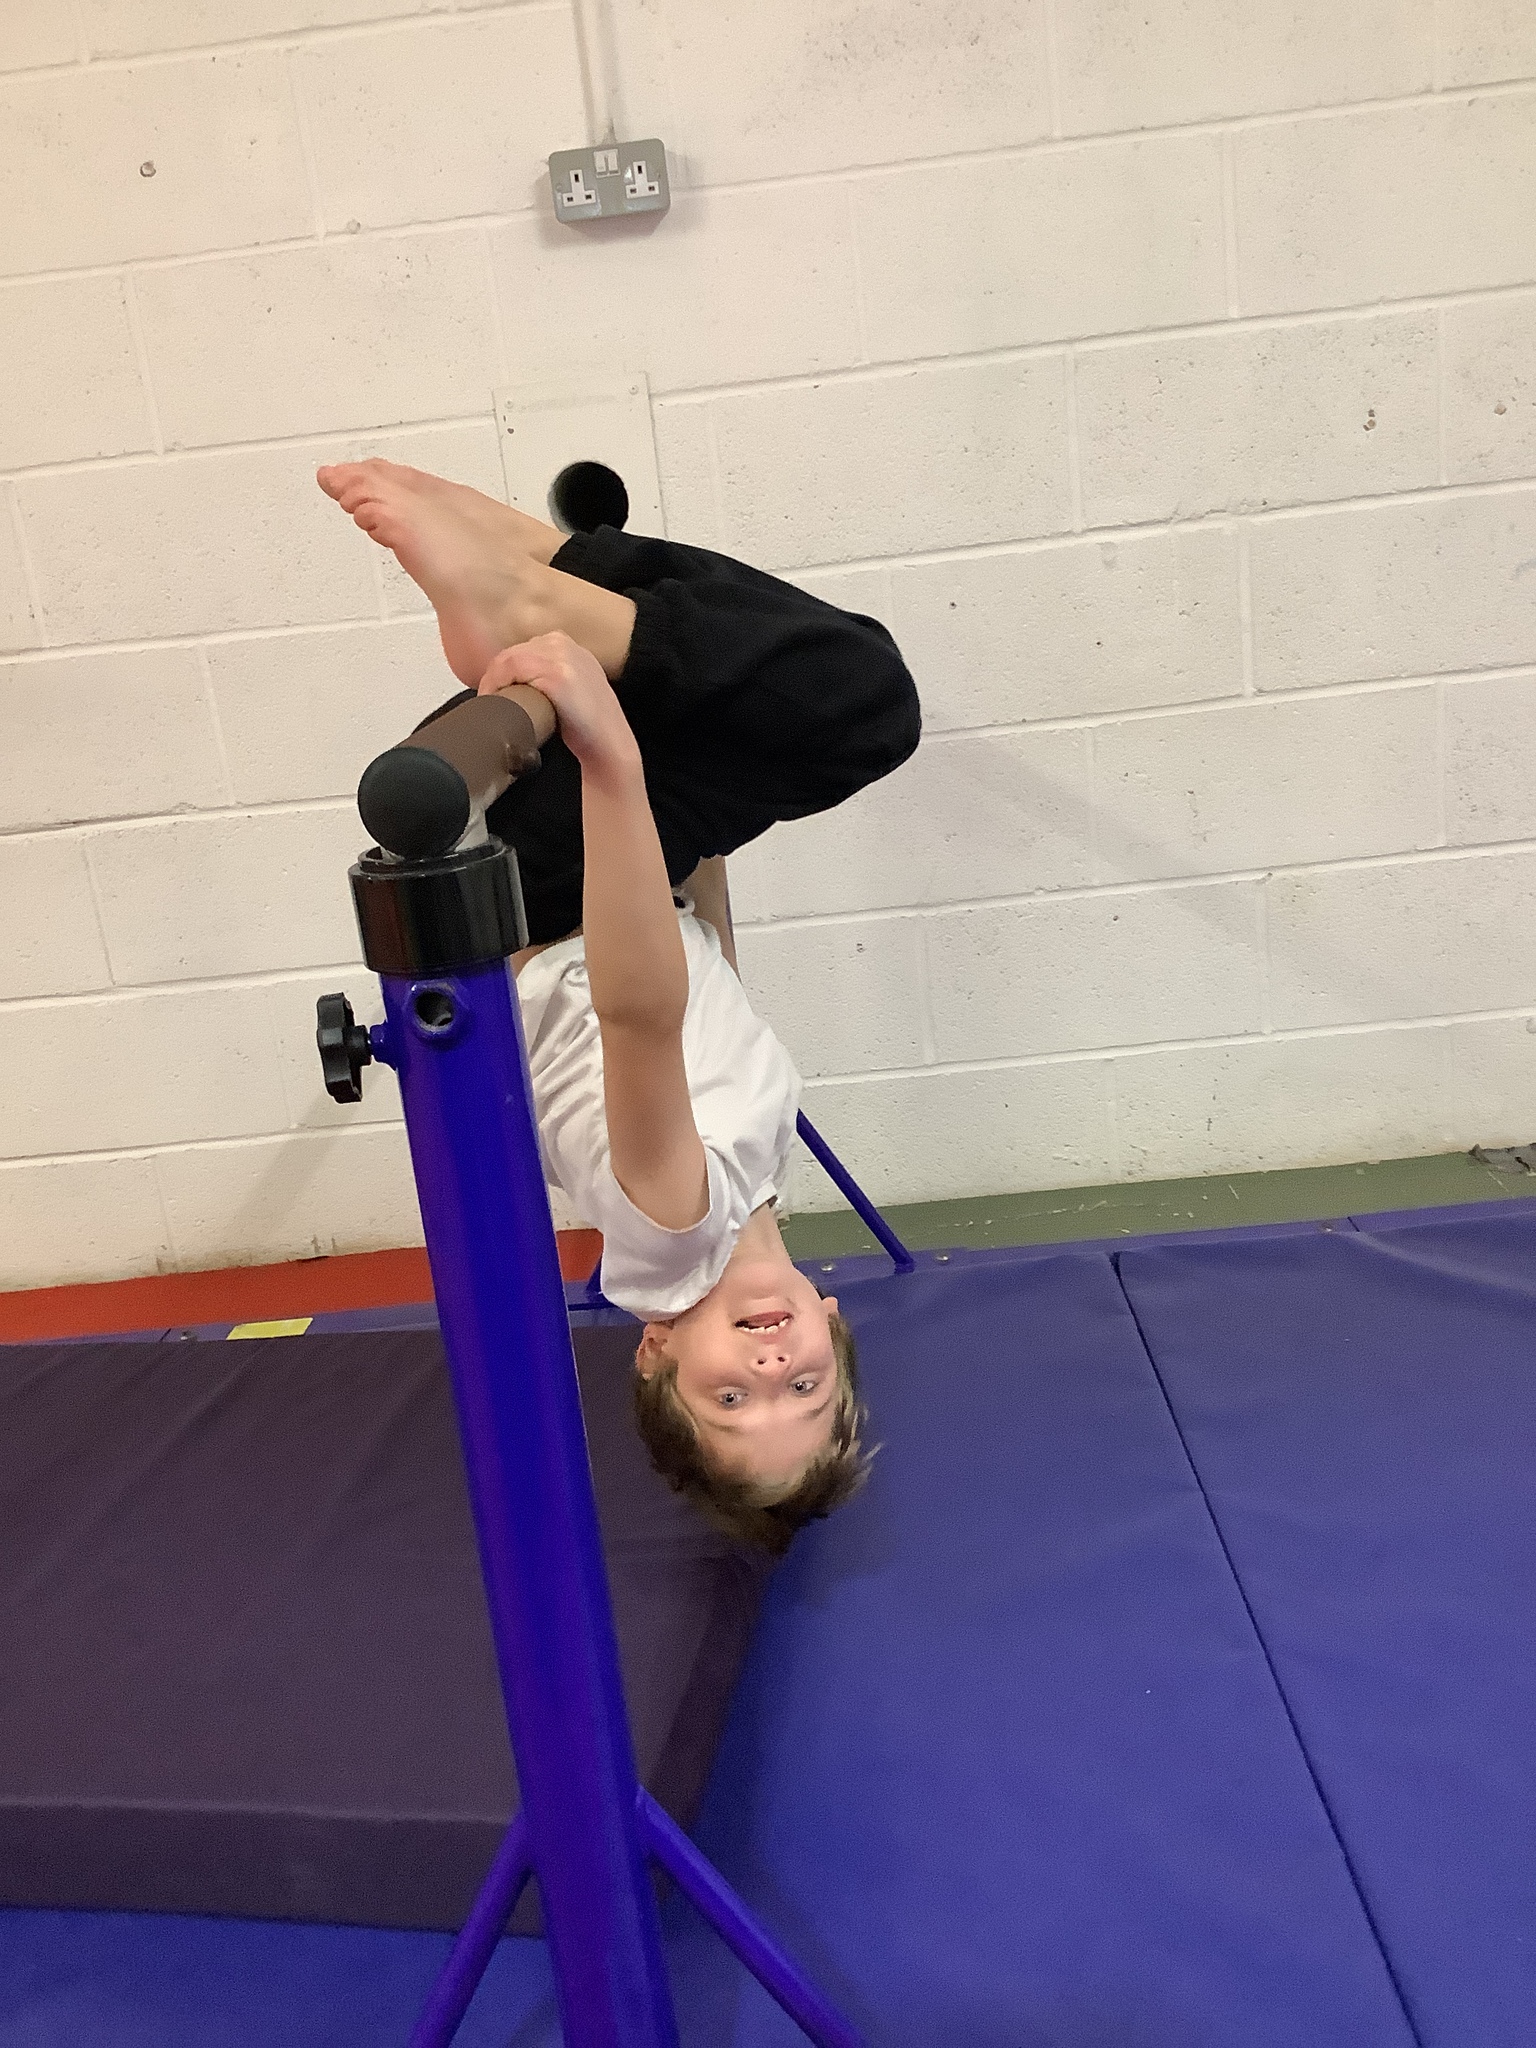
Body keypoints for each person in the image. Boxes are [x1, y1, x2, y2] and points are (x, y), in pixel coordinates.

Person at [316, 460, 919, 1552]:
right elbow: (706, 974)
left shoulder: (674, 1233)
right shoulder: (750, 1193)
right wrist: (702, 848)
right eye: (804, 1390)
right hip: (608, 878)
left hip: (547, 876)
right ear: (834, 1327)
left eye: (731, 1397)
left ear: (657, 1353)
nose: (772, 1367)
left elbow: (642, 1011)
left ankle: (542, 580)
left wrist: (611, 755)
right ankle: (531, 568)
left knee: (863, 705)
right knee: (826, 700)